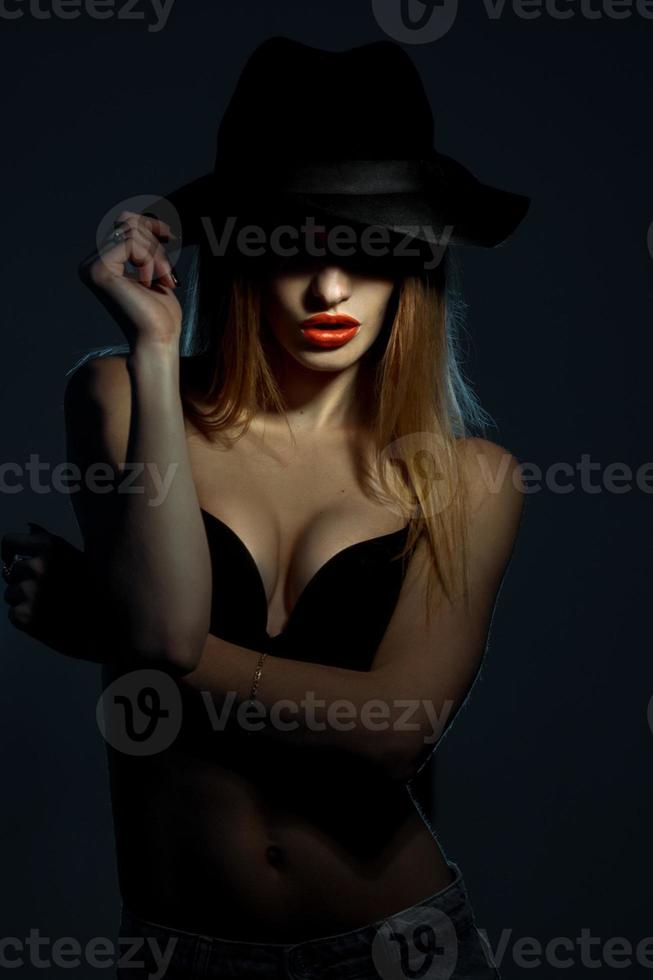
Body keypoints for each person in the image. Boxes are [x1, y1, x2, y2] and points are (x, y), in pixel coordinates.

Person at [2, 36, 529, 980]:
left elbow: (392, 733)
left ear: (414, 266)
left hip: (400, 942)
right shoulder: (123, 397)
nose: (330, 288)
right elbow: (161, 629)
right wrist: (160, 350)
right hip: (184, 949)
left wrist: (102, 622)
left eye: (366, 250)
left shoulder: (471, 478)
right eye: (299, 247)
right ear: (244, 256)